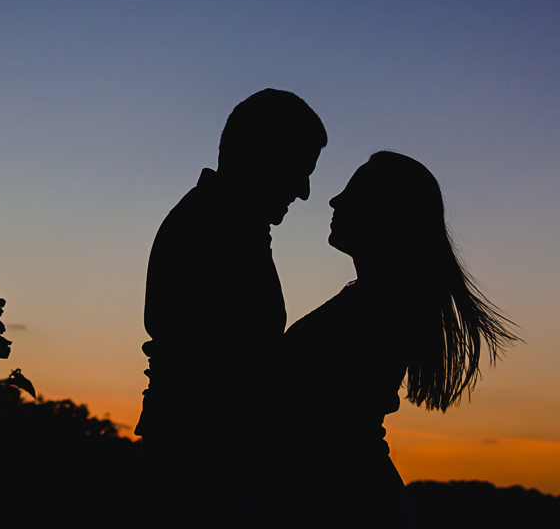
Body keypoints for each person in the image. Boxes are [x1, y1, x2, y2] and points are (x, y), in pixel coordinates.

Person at [280, 151, 517, 528]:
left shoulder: (377, 303)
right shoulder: (383, 297)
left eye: (352, 193)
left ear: (386, 213)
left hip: (345, 501)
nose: (334, 200)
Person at [137, 89, 327, 524]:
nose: (304, 191)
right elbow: (227, 367)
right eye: (300, 169)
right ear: (260, 154)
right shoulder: (211, 230)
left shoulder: (229, 226)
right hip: (204, 469)